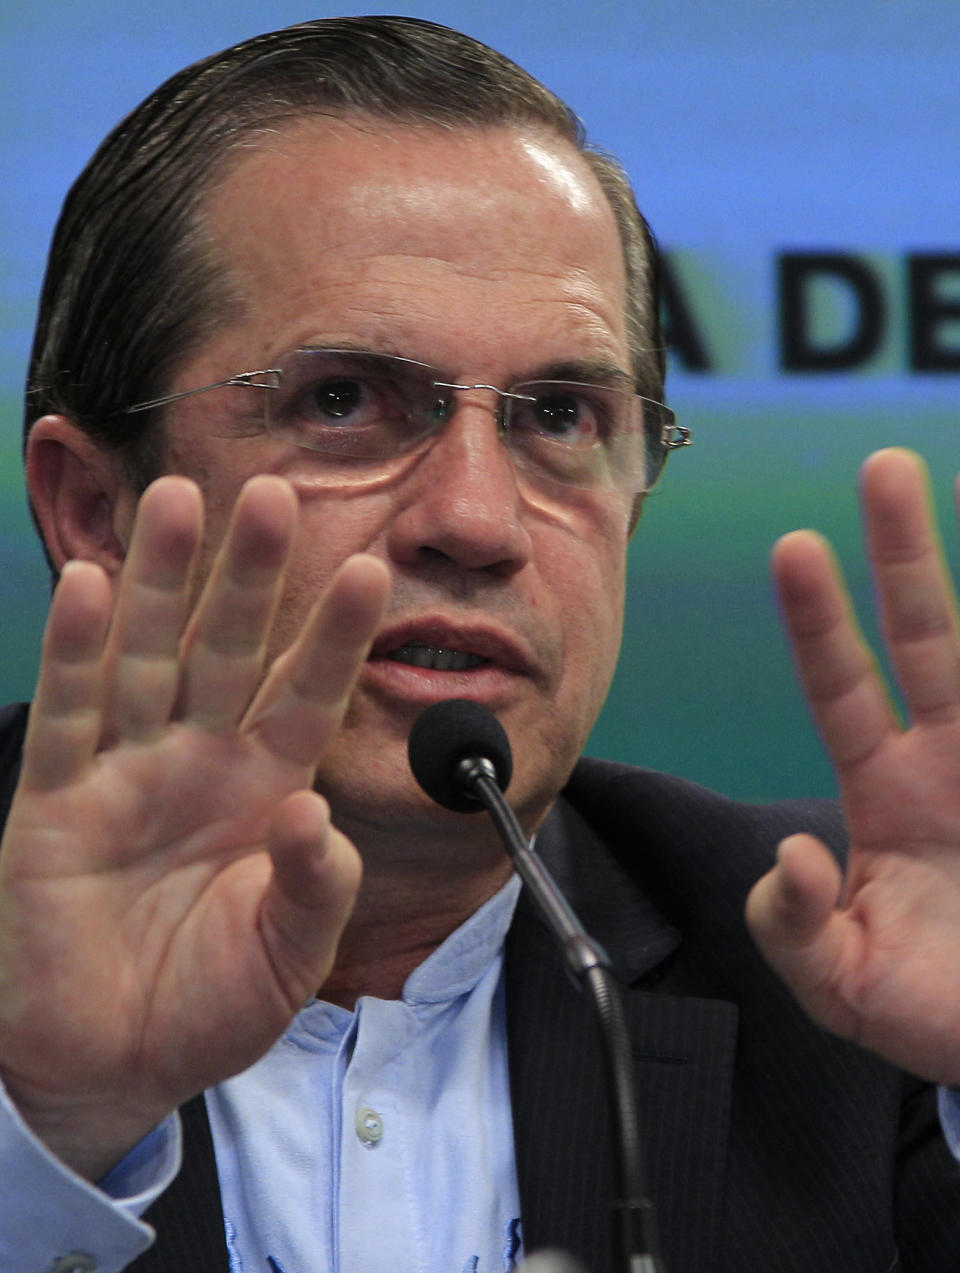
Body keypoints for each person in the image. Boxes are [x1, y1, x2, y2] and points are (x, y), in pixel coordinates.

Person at [1, 15, 960, 1273]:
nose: (475, 518)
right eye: (342, 401)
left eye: (560, 414)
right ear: (98, 511)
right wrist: (49, 1144)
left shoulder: (845, 976)